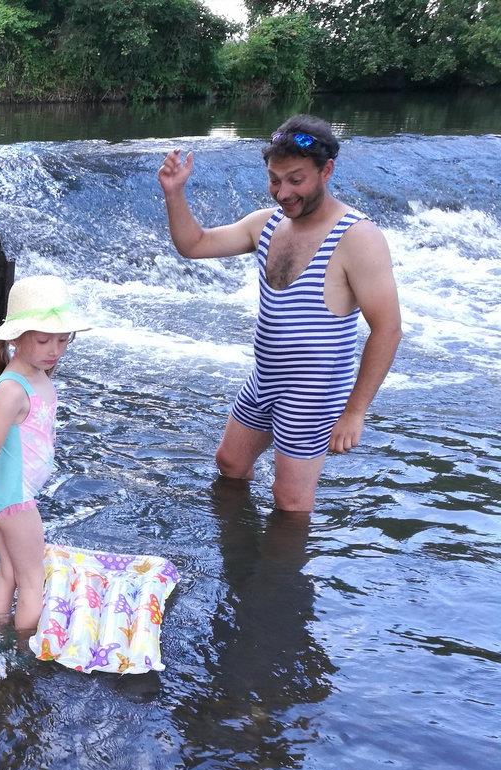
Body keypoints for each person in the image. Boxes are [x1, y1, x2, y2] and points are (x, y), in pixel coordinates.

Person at [157, 114, 402, 512]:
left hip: (313, 391)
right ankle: (239, 545)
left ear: (326, 171)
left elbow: (388, 329)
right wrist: (174, 193)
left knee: (290, 501)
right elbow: (194, 244)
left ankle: (283, 555)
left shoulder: (358, 237)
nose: (283, 192)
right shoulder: (267, 224)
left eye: (295, 180)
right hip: (266, 378)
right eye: (274, 179)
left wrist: (354, 412)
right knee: (230, 464)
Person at [0, 275, 86, 635]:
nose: (54, 350)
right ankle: (23, 651)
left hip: (11, 494)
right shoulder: (12, 391)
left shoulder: (36, 373)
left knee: (9, 572)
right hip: (14, 499)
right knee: (33, 581)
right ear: (15, 338)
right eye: (44, 340)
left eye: (62, 339)